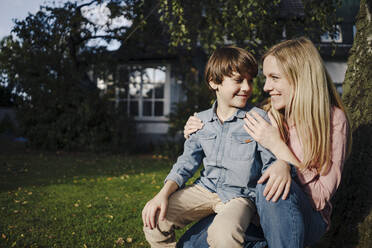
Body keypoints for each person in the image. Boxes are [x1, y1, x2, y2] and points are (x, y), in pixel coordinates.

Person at [179, 37, 351, 248]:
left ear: (300, 78)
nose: (267, 87)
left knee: (272, 184)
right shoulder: (266, 115)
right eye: (266, 78)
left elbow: (319, 198)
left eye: (274, 77)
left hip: (306, 219)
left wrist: (280, 151)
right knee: (189, 245)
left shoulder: (333, 120)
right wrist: (197, 125)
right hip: (256, 214)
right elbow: (224, 124)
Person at [142, 46, 290, 248]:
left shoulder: (257, 119)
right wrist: (162, 194)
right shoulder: (201, 121)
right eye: (239, 80)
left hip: (239, 197)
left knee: (222, 236)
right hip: (205, 189)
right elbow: (185, 163)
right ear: (214, 82)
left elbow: (270, 165)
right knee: (154, 217)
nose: (247, 87)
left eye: (250, 80)